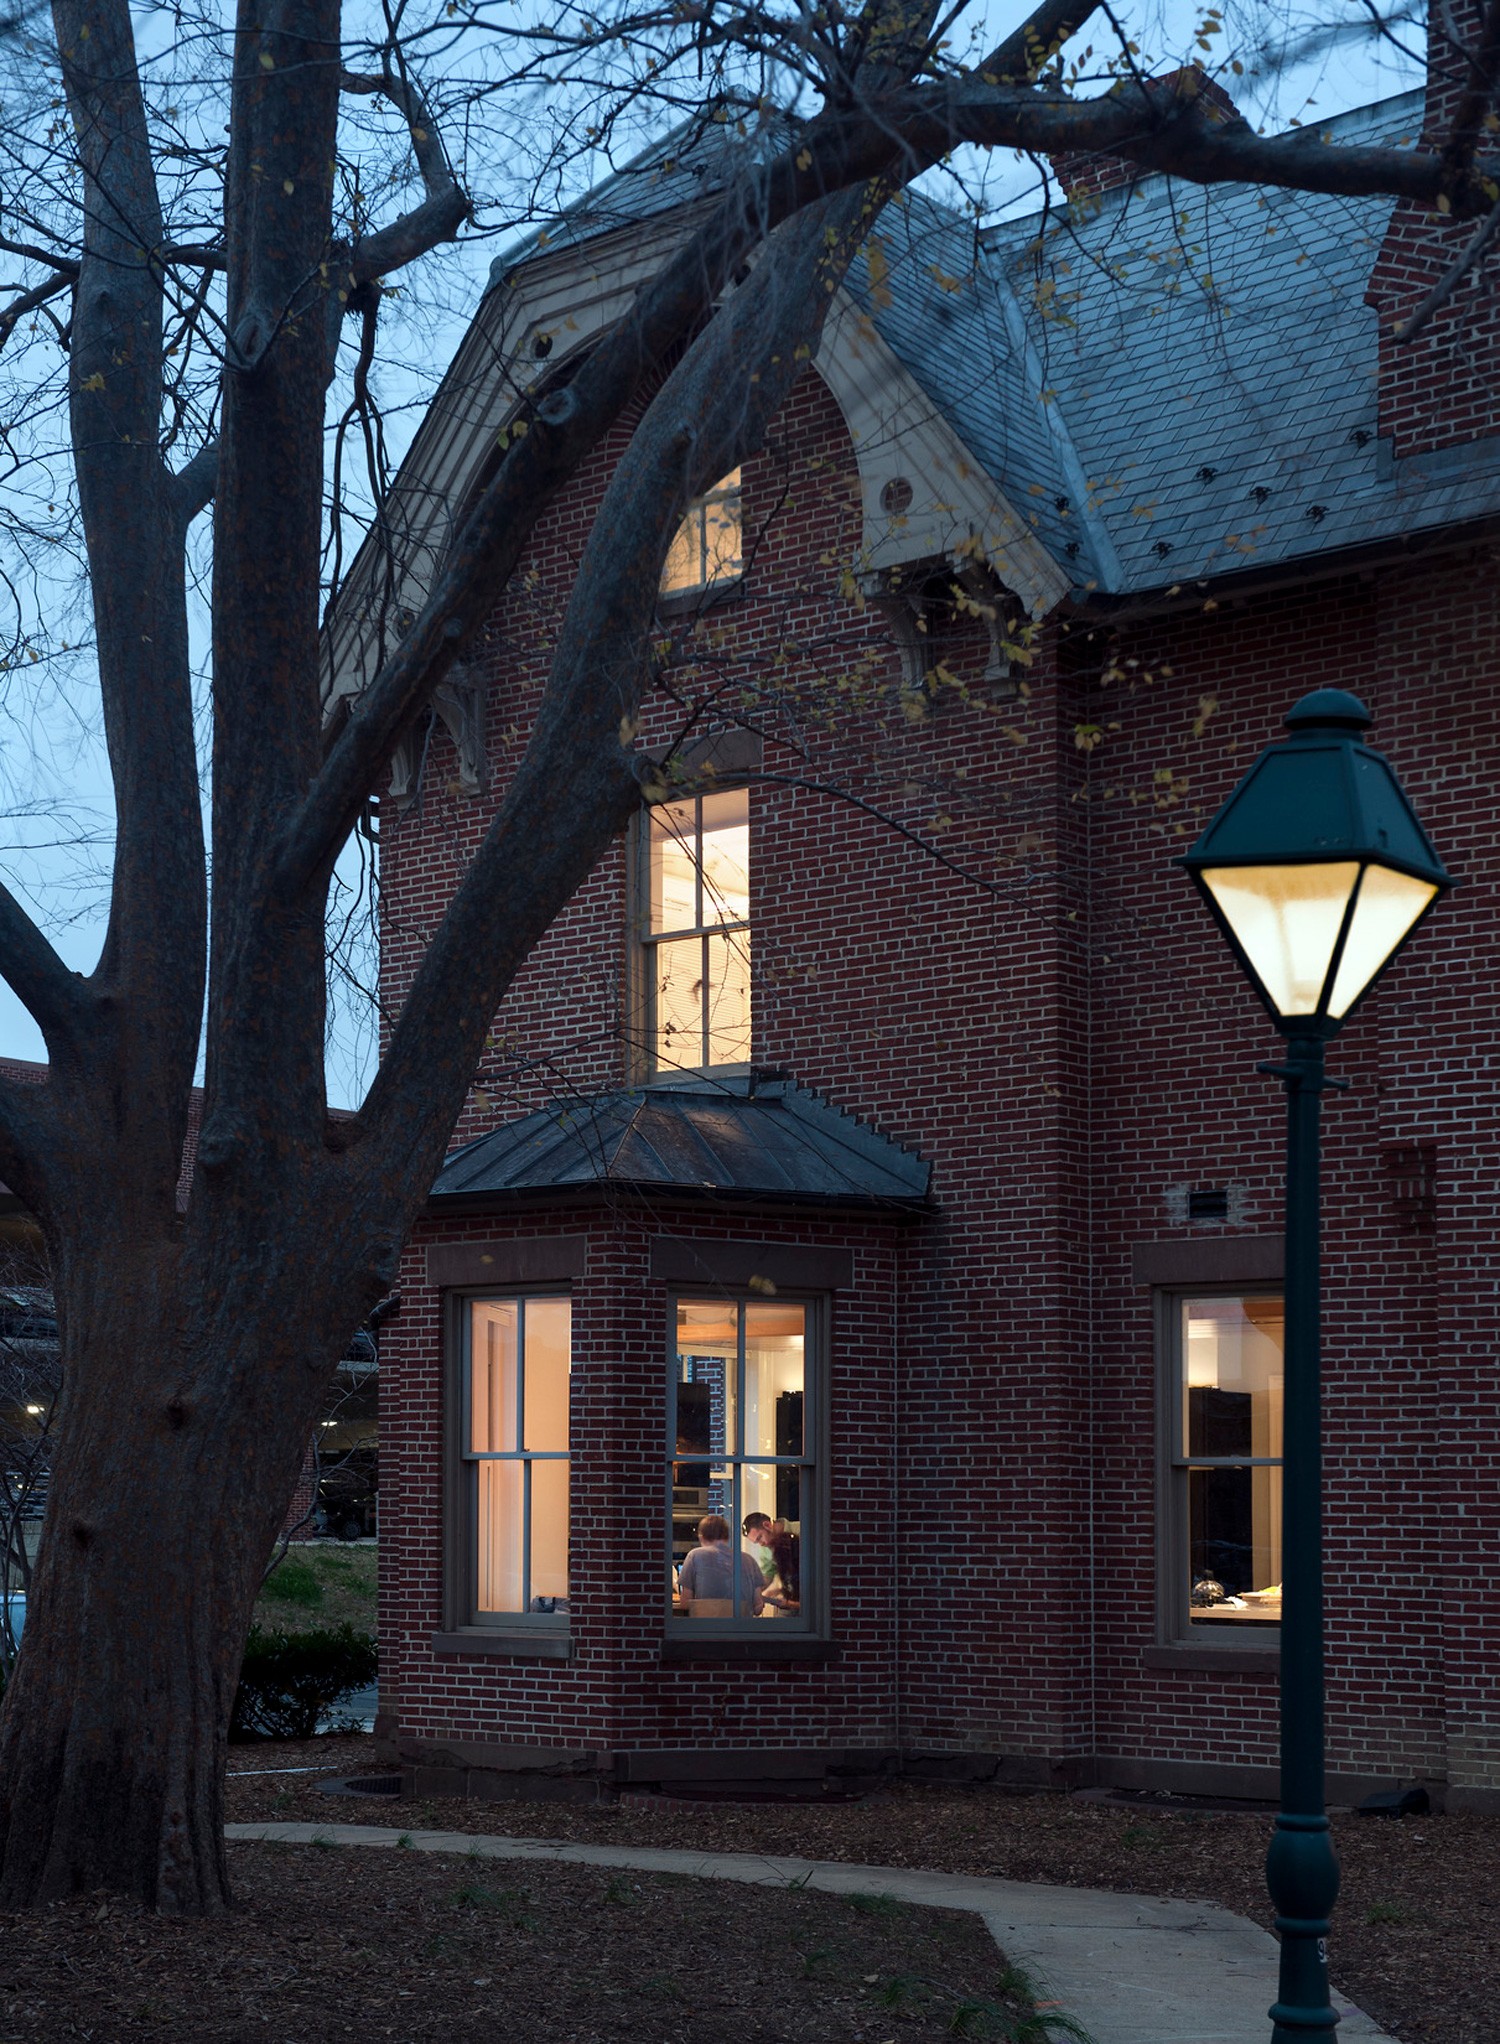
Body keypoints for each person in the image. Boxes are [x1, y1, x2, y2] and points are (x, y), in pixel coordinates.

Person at [678, 1515, 764, 1615]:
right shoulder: (749, 1560)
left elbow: (685, 1603)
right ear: (727, 1537)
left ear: (701, 1537)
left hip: (706, 1627)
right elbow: (758, 1609)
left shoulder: (694, 1556)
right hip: (740, 1628)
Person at [761, 1528, 801, 1616]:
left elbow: (813, 1605)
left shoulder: (805, 1572)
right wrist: (762, 1596)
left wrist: (788, 1603)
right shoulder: (785, 1570)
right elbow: (778, 1585)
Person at [742, 1511, 777, 1584]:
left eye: (759, 1538)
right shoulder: (765, 1550)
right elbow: (767, 1578)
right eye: (757, 1542)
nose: (761, 1544)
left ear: (768, 1525)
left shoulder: (803, 1530)